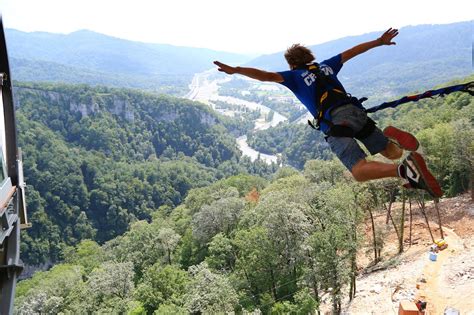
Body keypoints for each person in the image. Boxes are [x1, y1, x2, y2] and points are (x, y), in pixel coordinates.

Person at [214, 28, 442, 198]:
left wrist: (236, 70)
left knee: (359, 171)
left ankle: (404, 171)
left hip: (335, 122)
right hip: (355, 112)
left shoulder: (293, 76)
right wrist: (379, 42)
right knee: (390, 151)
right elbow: (351, 52)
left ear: (292, 64)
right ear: (309, 57)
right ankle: (392, 140)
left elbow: (265, 75)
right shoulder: (325, 66)